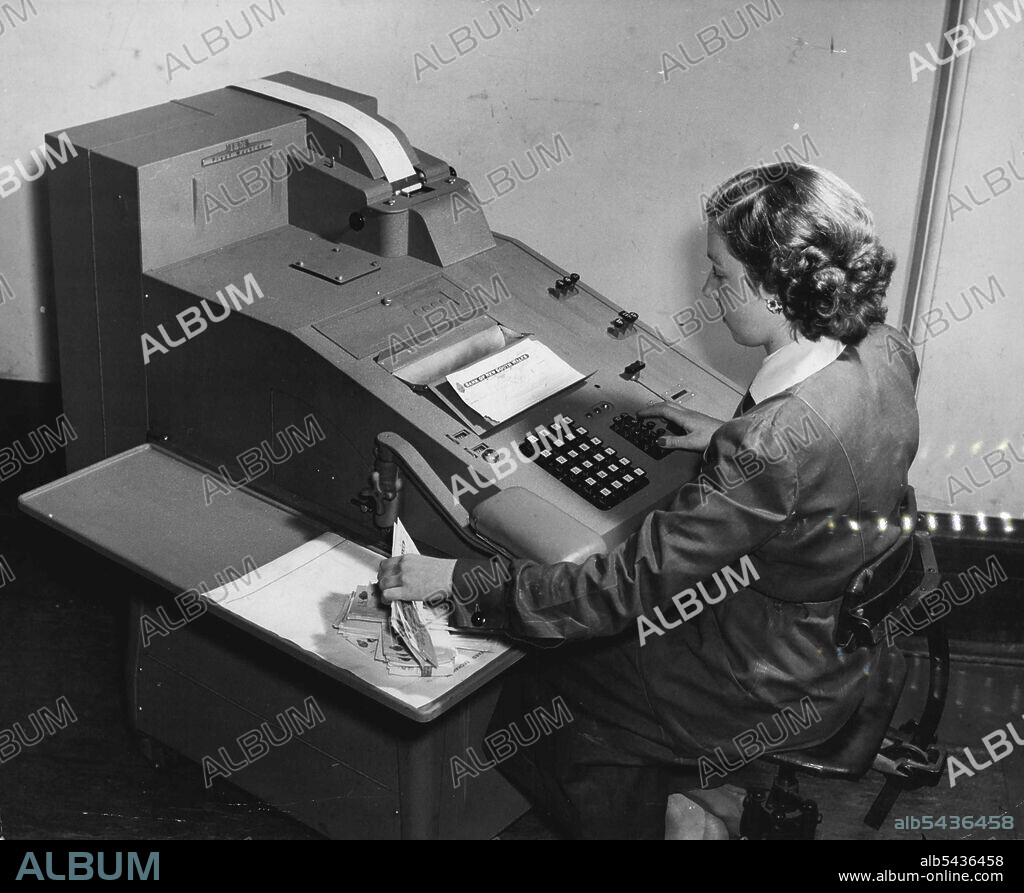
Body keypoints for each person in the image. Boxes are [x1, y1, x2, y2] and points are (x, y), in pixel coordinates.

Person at [377, 162, 920, 839]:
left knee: (546, 689)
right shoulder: (885, 349)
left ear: (778, 289)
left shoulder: (769, 444)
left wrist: (464, 581)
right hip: (832, 639)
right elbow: (838, 450)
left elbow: (620, 589)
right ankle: (682, 805)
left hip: (768, 674)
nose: (708, 289)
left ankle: (674, 821)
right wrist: (728, 435)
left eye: (721, 275)